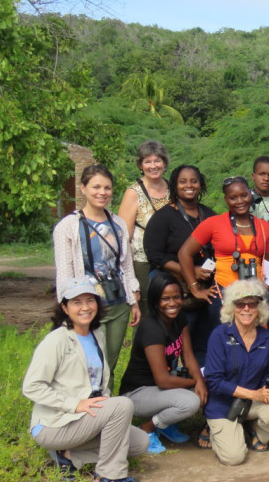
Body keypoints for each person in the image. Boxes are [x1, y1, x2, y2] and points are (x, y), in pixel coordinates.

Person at [22, 276, 148, 482]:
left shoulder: (97, 335)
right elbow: (31, 386)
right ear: (64, 307)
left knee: (140, 442)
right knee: (123, 405)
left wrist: (99, 409)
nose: (85, 307)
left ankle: (69, 455)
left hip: (84, 418)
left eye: (90, 300)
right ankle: (109, 475)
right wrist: (74, 404)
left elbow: (97, 382)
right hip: (55, 424)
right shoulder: (57, 340)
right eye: (76, 302)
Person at [53, 164, 140, 382]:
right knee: (88, 363)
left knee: (109, 362)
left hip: (118, 304)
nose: (102, 193)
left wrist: (133, 301)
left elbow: (126, 265)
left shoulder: (118, 223)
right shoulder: (68, 226)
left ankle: (108, 410)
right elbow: (65, 274)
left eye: (107, 188)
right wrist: (68, 309)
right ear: (83, 188)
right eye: (96, 187)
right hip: (87, 307)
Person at [119, 272, 207, 455]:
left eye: (176, 297)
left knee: (207, 381)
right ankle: (147, 428)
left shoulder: (179, 318)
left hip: (161, 387)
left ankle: (165, 424)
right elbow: (163, 381)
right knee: (191, 401)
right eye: (165, 299)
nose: (172, 303)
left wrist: (200, 379)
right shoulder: (151, 328)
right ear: (154, 301)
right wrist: (195, 383)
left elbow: (188, 356)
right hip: (138, 393)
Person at [203, 279, 269, 465]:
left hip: (251, 403)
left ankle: (254, 432)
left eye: (252, 304)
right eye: (240, 304)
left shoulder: (267, 337)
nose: (247, 309)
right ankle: (216, 430)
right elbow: (213, 381)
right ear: (231, 308)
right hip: (223, 405)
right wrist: (255, 394)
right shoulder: (219, 335)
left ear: (260, 308)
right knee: (234, 458)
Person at [143, 164, 216, 364]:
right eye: (182, 181)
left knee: (203, 338)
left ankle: (201, 380)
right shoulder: (163, 217)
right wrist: (190, 271)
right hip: (171, 285)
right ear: (174, 185)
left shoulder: (210, 215)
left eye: (194, 181)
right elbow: (154, 255)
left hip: (204, 286)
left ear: (201, 184)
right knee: (171, 339)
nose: (189, 185)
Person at [178, 176, 269, 325]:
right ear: (226, 200)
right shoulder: (213, 223)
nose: (240, 201)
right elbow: (184, 253)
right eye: (233, 197)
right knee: (225, 341)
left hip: (255, 295)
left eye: (244, 195)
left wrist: (267, 283)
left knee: (255, 341)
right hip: (224, 294)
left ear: (250, 194)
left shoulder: (263, 226)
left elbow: (268, 260)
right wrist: (195, 289)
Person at [117, 141, 171, 317]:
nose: (153, 166)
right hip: (143, 263)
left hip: (171, 261)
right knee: (147, 314)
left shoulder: (173, 189)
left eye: (157, 161)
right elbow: (124, 237)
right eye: (148, 161)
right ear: (140, 165)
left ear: (164, 163)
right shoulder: (133, 193)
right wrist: (129, 278)